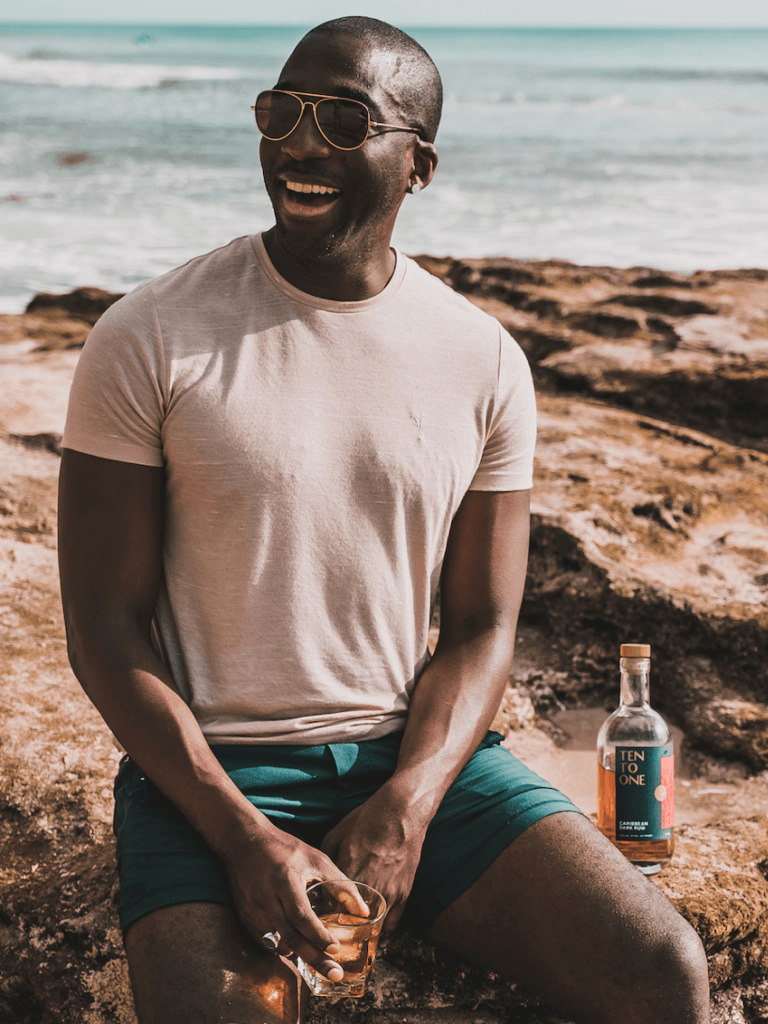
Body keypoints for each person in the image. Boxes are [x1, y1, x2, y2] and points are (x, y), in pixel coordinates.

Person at [57, 16, 710, 1024]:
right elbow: (104, 626)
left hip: (411, 759)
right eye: (282, 113)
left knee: (661, 966)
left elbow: (485, 626)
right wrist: (241, 838)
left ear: (418, 165)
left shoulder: (481, 360)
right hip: (204, 775)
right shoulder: (148, 337)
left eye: (344, 119)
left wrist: (407, 804)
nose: (300, 144)